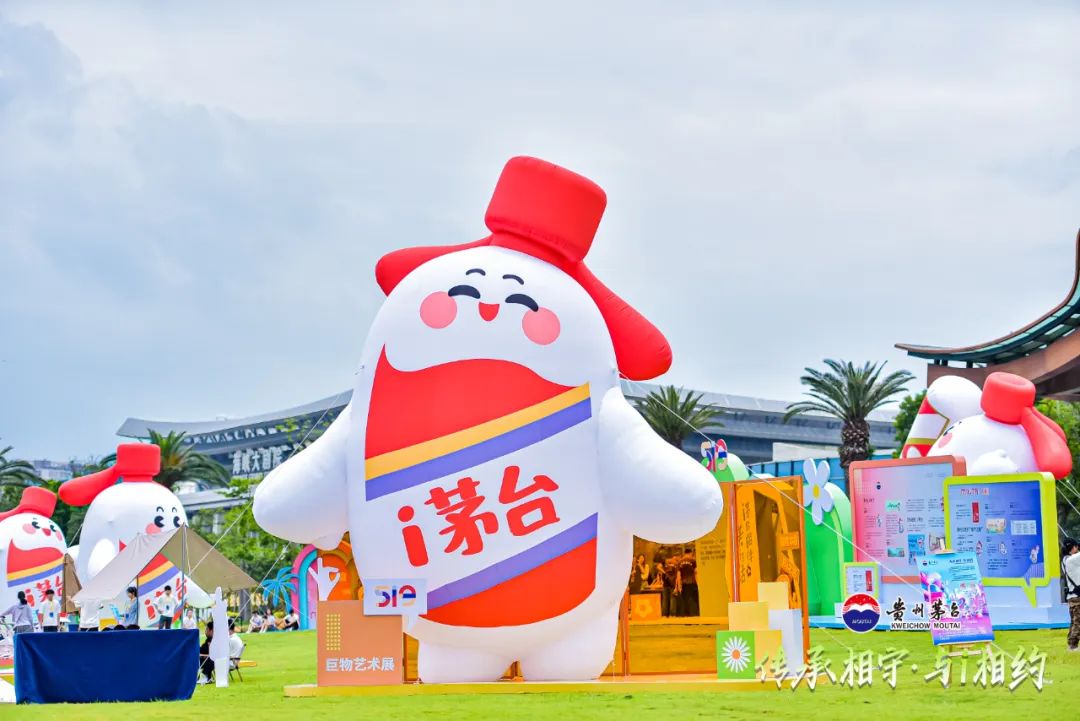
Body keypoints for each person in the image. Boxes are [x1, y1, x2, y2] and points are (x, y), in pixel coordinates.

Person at [1062, 538, 1080, 651]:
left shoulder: (1066, 559)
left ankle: (1071, 644)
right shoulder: (1071, 560)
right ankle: (1073, 646)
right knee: (1078, 622)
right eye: (1076, 546)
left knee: (1074, 622)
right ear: (1073, 547)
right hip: (1076, 597)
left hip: (1073, 597)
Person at [677, 547, 699, 617]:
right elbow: (696, 572)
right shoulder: (693, 561)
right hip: (692, 582)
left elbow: (678, 575)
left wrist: (679, 585)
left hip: (684, 583)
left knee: (685, 599)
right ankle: (694, 614)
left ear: (684, 553)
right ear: (690, 553)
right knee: (693, 599)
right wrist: (698, 583)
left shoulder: (680, 562)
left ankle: (686, 614)